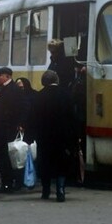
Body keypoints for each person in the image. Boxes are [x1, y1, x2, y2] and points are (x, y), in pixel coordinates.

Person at [33, 70, 76, 202]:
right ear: (57, 80)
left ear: (43, 81)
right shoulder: (66, 95)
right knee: (61, 163)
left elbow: (33, 118)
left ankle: (45, 190)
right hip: (62, 136)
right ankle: (60, 190)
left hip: (44, 136)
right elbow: (72, 117)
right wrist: (74, 135)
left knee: (45, 162)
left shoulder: (39, 96)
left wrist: (30, 135)